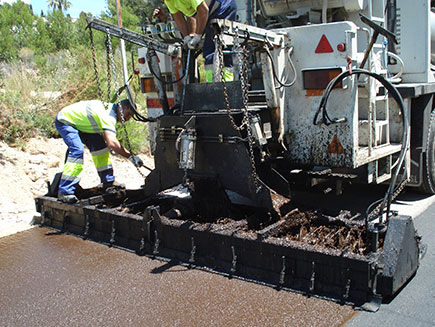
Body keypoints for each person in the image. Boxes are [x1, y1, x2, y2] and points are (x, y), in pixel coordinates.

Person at [55, 99, 144, 203]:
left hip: (82, 124)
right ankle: (65, 192)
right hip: (66, 121)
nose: (128, 119)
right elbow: (112, 143)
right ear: (120, 107)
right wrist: (130, 156)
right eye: (128, 114)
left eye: (131, 116)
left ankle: (108, 182)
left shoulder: (110, 111)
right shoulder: (109, 116)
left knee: (100, 148)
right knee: (77, 152)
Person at [153, 0, 237, 82]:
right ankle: (212, 84)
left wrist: (198, 35)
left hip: (223, 8)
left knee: (215, 48)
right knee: (208, 49)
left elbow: (203, 10)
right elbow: (177, 16)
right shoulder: (169, 1)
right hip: (210, 13)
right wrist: (186, 37)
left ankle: (224, 84)